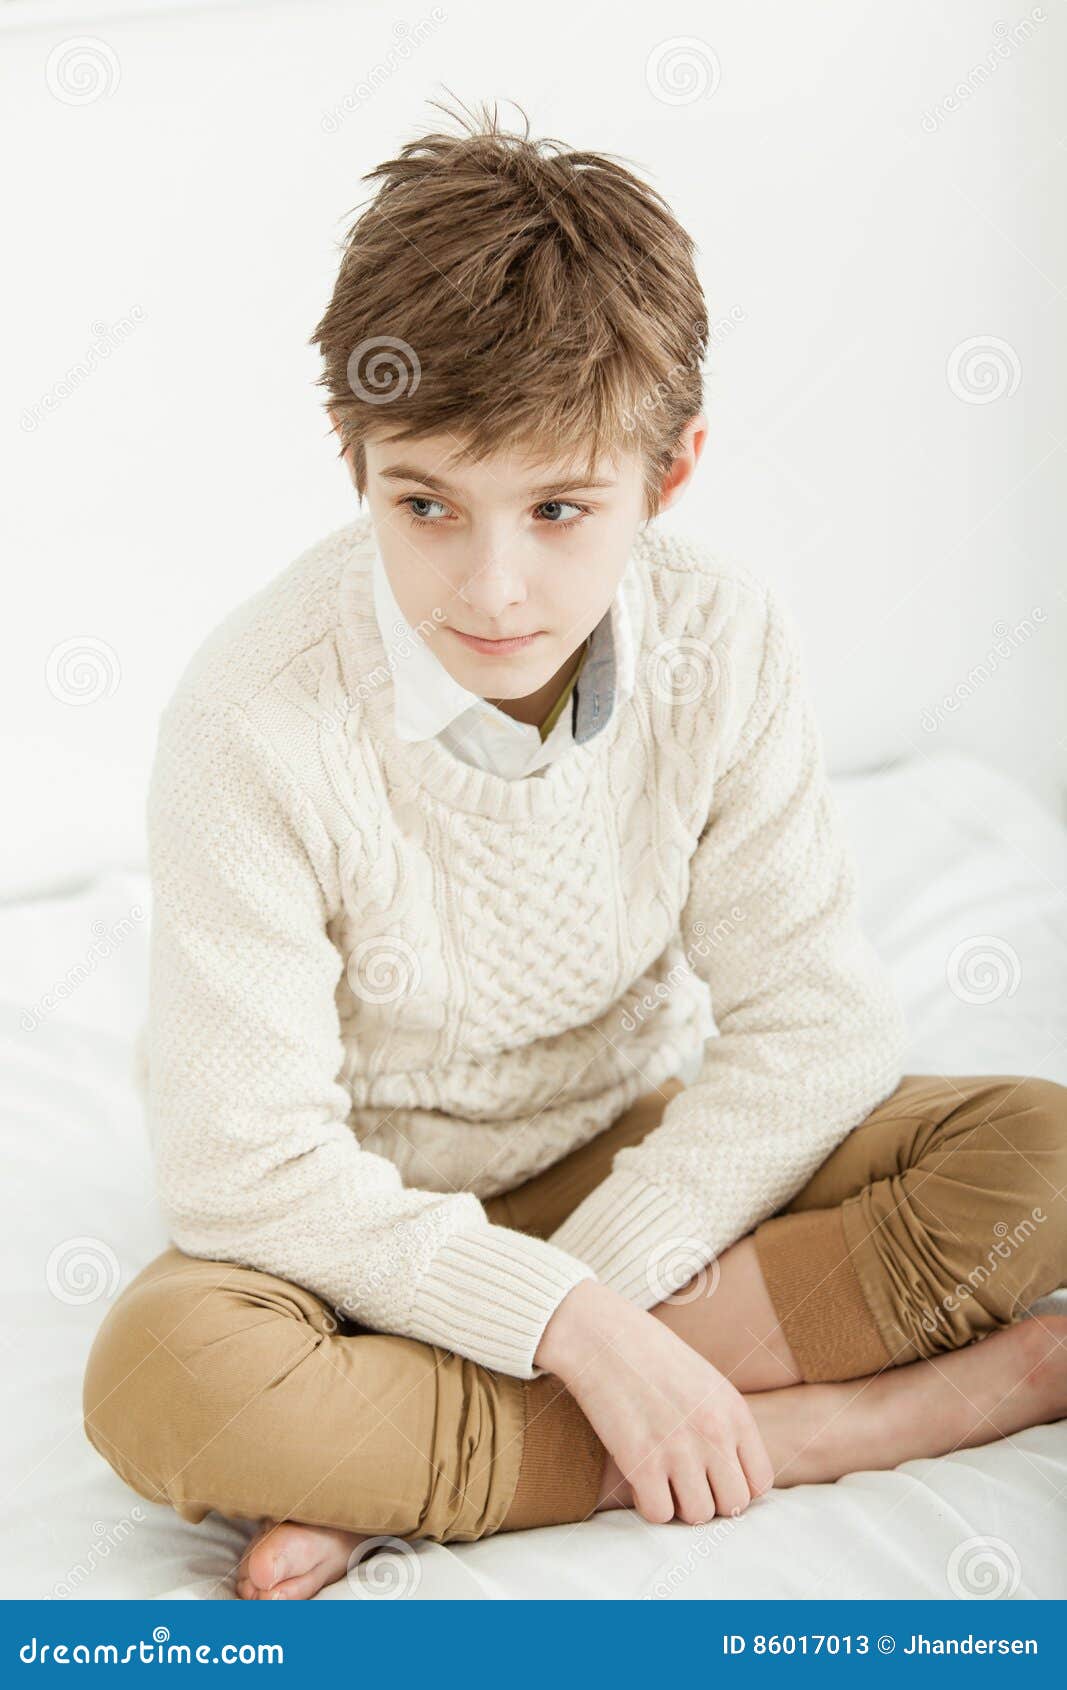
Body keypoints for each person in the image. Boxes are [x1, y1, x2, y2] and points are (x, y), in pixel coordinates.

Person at [83, 99, 1067, 1601]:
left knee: (1040, 1154)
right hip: (355, 1229)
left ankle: (429, 1461)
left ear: (666, 477)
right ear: (354, 460)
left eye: (559, 509)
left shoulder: (720, 640)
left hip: (630, 1152)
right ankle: (824, 1429)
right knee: (165, 1381)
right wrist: (579, 1334)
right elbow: (250, 1165)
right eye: (426, 506)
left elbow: (817, 1026)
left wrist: (593, 1275)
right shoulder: (255, 712)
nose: (491, 585)